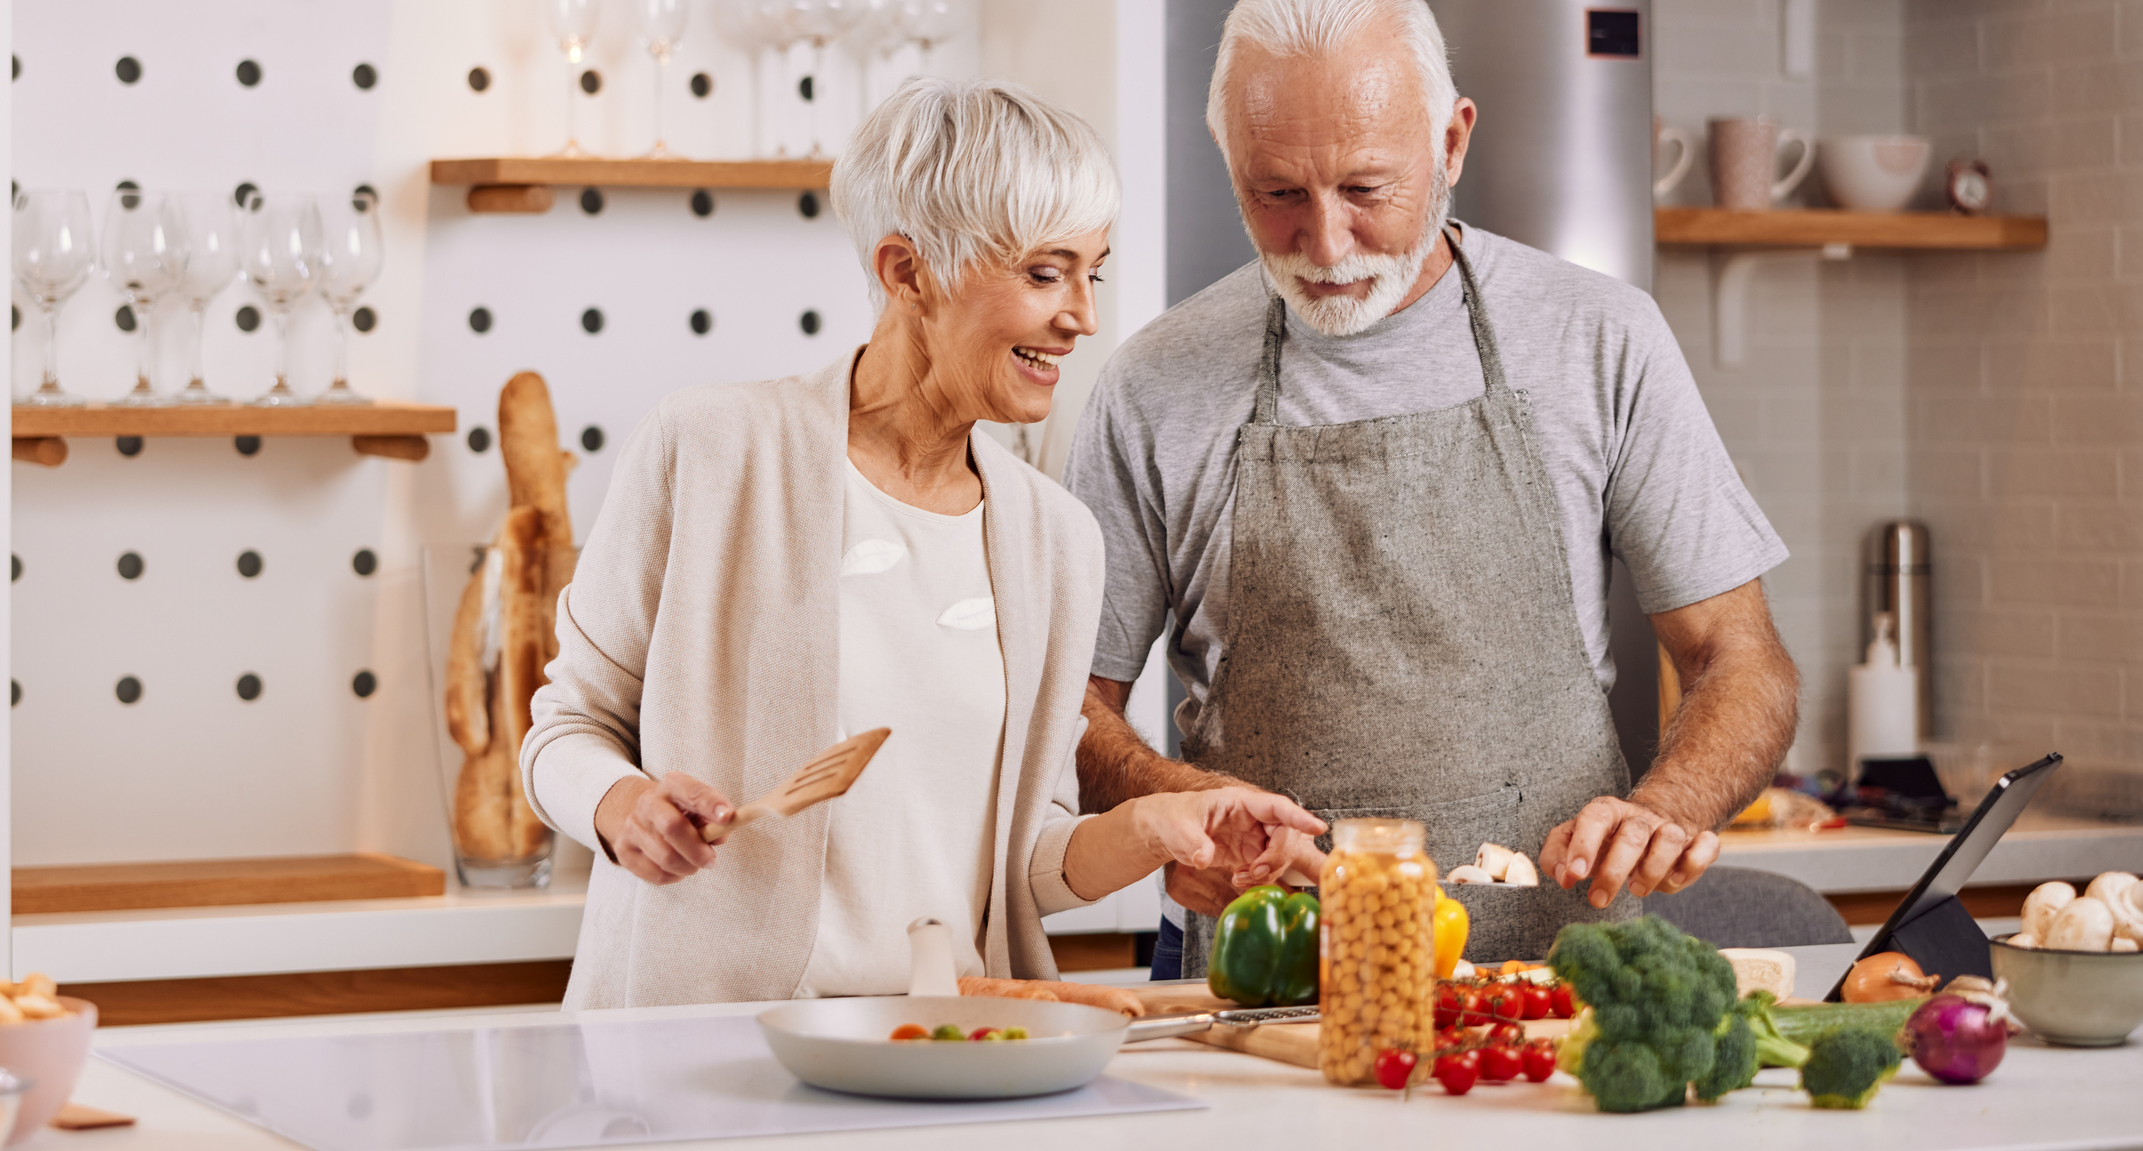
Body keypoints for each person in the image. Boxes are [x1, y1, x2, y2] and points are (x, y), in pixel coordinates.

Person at [522, 78, 1327, 1010]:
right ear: (907, 272)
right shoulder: (709, 450)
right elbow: (566, 728)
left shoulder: (1052, 537)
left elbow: (1027, 863)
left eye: (1091, 272)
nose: (1083, 316)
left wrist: (1163, 825)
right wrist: (621, 808)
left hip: (943, 1057)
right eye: (1042, 272)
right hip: (707, 1054)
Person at [1063, 0, 1802, 973]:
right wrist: (1170, 809)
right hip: (1274, 991)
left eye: (1366, 187)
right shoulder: (1150, 386)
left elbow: (1742, 659)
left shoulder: (1601, 339)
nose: (1325, 245)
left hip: (1559, 992)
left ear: (1452, 142)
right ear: (1226, 152)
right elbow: (1066, 706)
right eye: (1277, 192)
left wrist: (1667, 808)